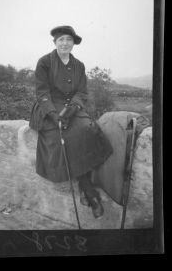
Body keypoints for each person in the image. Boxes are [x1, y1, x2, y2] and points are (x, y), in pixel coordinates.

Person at [29, 25, 113, 219]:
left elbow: (81, 92)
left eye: (69, 39)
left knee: (88, 129)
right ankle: (88, 190)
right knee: (66, 136)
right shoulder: (44, 62)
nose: (65, 43)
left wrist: (73, 108)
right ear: (55, 42)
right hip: (48, 107)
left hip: (72, 107)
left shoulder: (79, 65)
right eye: (61, 40)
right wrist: (54, 114)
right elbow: (42, 93)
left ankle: (87, 186)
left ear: (73, 43)